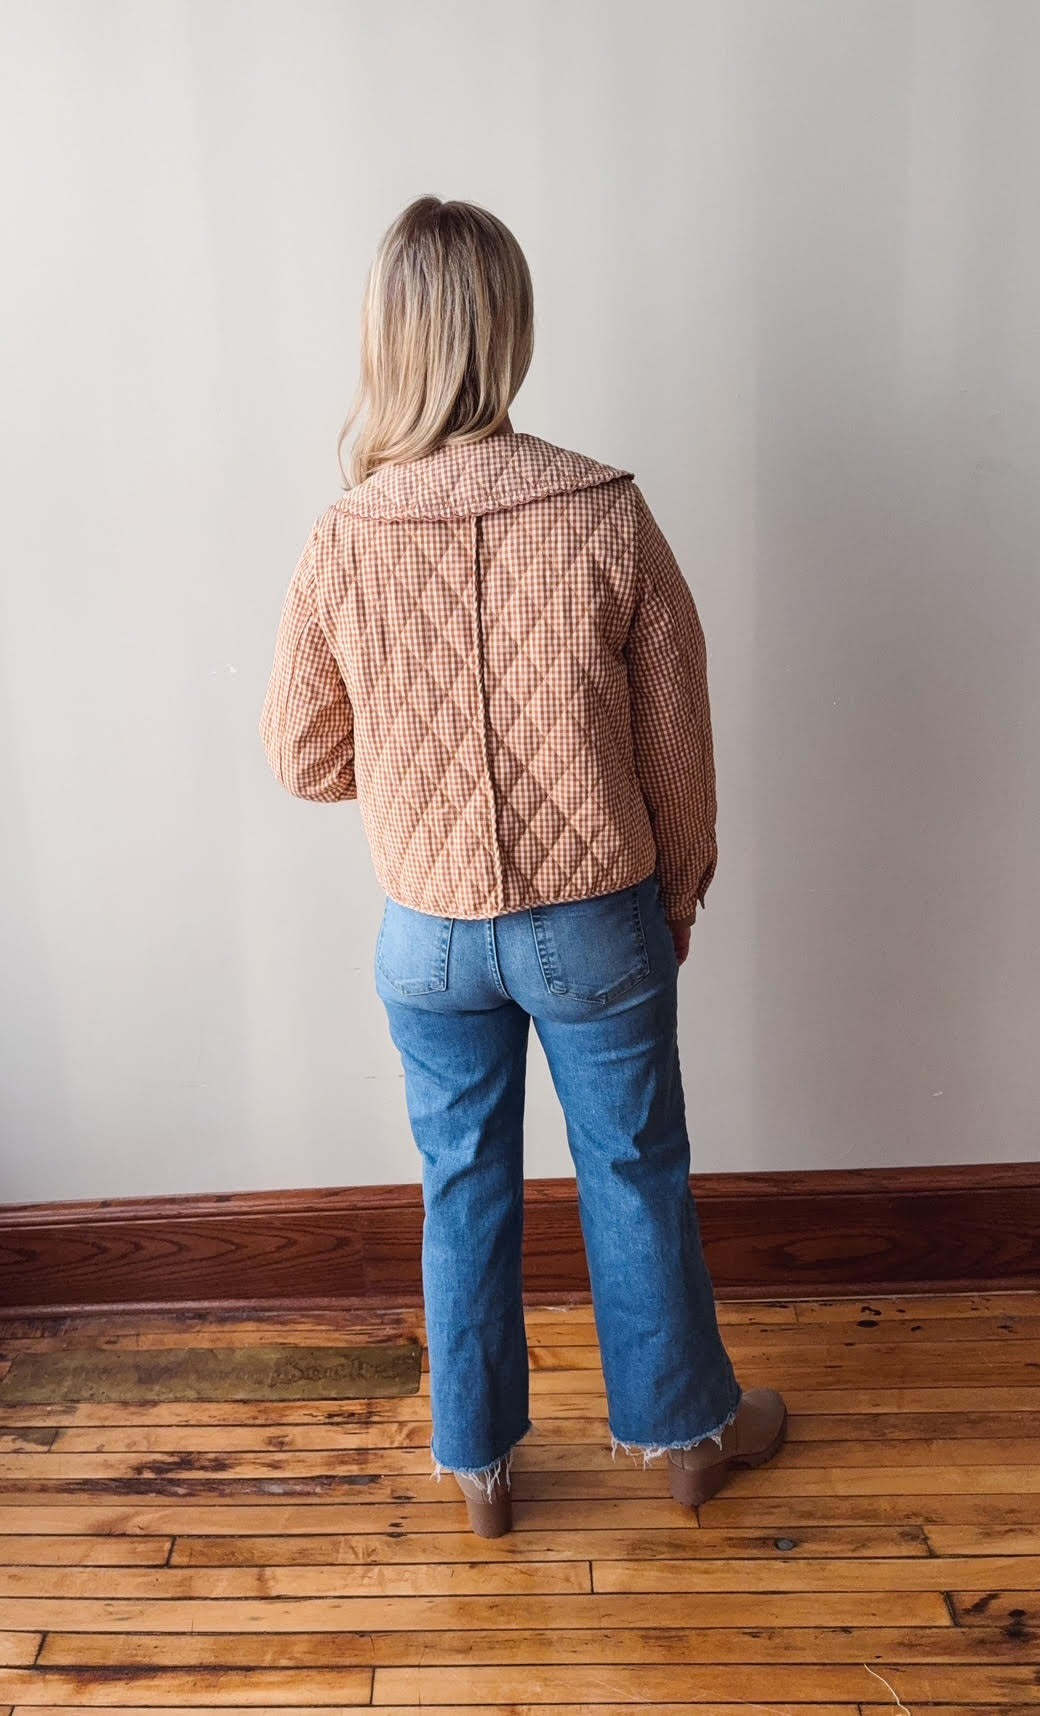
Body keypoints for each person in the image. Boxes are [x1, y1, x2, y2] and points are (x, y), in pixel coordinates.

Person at [260, 194, 787, 1538]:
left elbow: (302, 756)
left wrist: (421, 778)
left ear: (389, 337)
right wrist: (678, 894)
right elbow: (678, 747)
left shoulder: (344, 534)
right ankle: (689, 1441)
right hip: (597, 914)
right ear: (513, 328)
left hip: (427, 932)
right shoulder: (605, 510)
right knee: (635, 1168)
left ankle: (482, 1472)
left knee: (461, 1182)